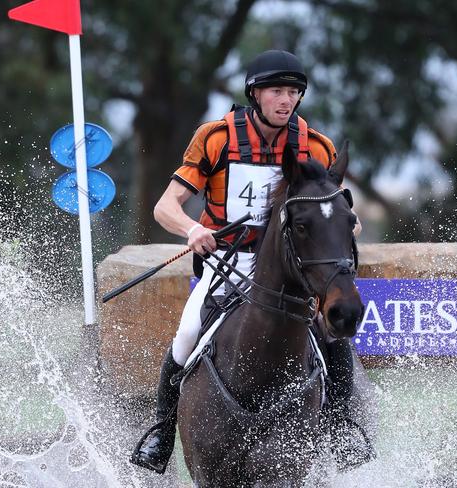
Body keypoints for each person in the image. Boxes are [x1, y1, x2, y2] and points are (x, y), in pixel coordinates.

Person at [131, 49, 362, 474]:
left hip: (290, 268)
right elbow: (165, 207)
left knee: (332, 339)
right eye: (277, 91)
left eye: (293, 92)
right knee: (187, 335)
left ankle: (342, 425)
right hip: (228, 260)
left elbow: (335, 208)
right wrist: (192, 230)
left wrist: (343, 223)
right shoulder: (217, 138)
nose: (286, 100)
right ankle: (162, 431)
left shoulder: (315, 145)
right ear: (255, 94)